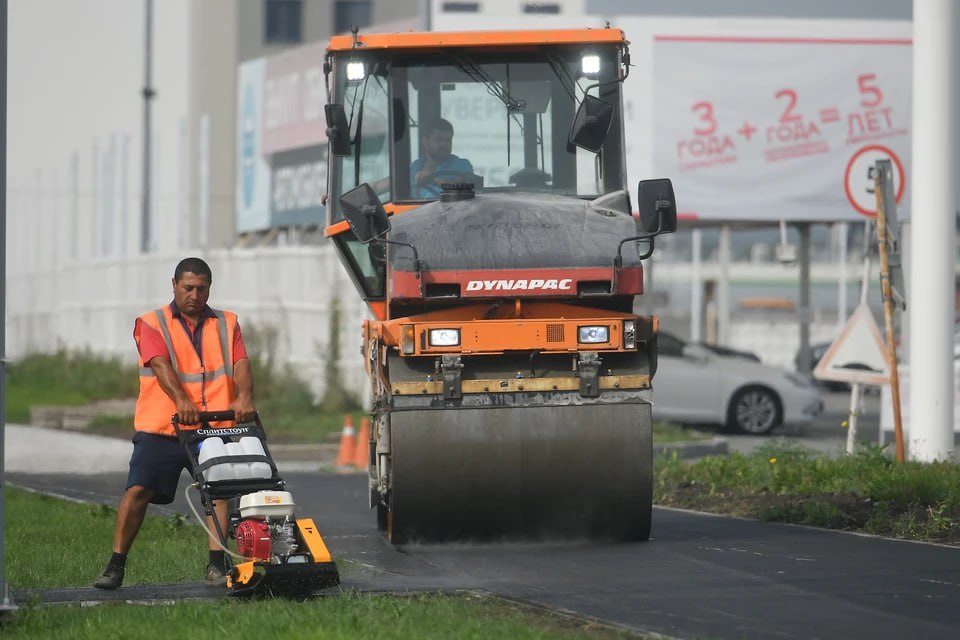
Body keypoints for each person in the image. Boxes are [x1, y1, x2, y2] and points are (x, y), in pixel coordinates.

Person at [93, 257, 256, 590]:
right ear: (174, 285)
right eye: (188, 288)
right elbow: (160, 364)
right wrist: (182, 402)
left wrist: (244, 397)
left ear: (210, 288)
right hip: (162, 429)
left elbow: (241, 362)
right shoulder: (152, 323)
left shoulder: (227, 323)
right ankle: (116, 565)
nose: (195, 295)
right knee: (138, 490)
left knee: (219, 493)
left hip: (213, 427)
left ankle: (216, 566)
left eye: (202, 288)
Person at [409, 118, 475, 198]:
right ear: (425, 141)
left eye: (448, 140)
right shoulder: (415, 166)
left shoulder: (462, 165)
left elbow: (462, 188)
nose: (444, 145)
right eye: (439, 140)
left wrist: (432, 179)